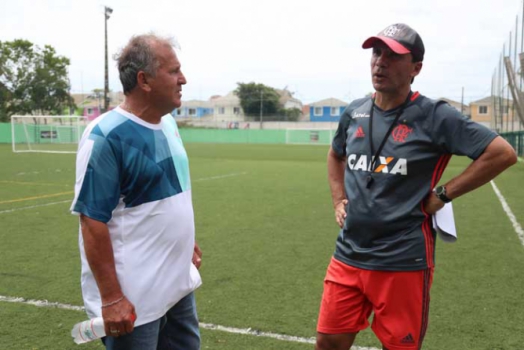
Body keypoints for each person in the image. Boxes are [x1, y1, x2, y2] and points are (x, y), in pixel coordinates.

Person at [315, 23, 517, 350]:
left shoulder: (435, 116)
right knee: (327, 343)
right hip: (348, 255)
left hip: (403, 260)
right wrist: (338, 199)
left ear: (416, 68)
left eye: (393, 56)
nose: (380, 62)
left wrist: (442, 195)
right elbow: (335, 154)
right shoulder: (354, 112)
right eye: (376, 53)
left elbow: (502, 154)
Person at [70, 34, 203, 350]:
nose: (182, 79)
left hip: (177, 282)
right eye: (173, 72)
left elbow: (167, 197)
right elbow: (92, 221)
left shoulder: (168, 124)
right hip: (135, 298)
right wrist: (112, 298)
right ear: (144, 80)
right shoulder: (106, 137)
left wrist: (182, 241)